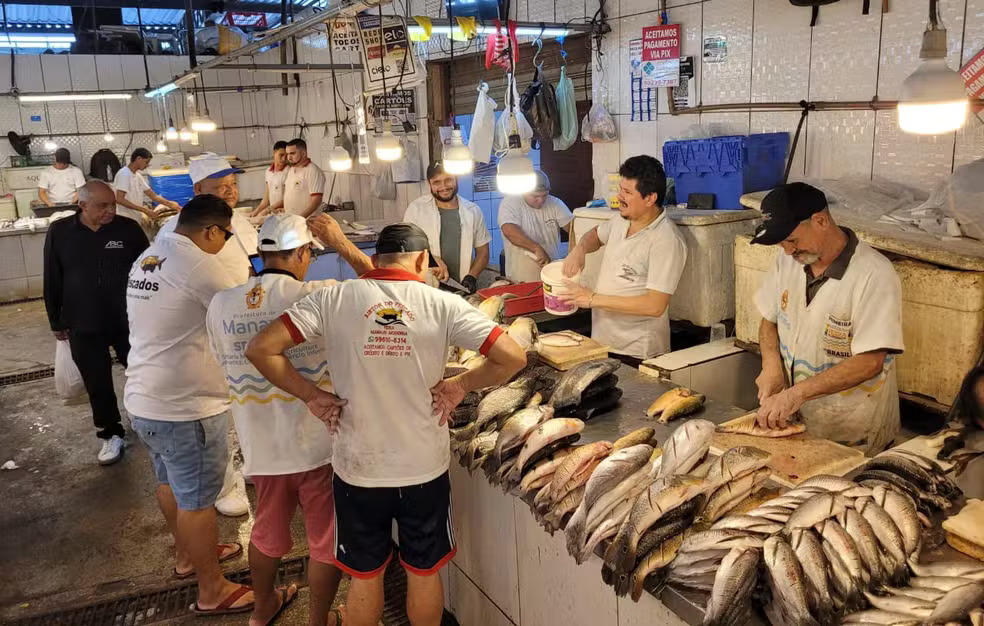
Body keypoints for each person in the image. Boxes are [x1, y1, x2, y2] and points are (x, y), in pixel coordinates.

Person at [246, 223, 526, 626]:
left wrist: (312, 396)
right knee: (423, 571)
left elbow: (262, 348)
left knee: (365, 575)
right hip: (422, 468)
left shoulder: (332, 298)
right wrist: (460, 384)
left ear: (375, 260)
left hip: (358, 468)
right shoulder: (441, 303)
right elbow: (512, 357)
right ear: (422, 260)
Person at [207, 213, 370, 626]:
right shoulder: (320, 294)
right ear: (301, 253)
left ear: (262, 254)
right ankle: (318, 621)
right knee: (324, 540)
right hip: (320, 443)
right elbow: (386, 287)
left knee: (265, 532)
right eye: (309, 255)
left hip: (260, 445)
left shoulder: (221, 303)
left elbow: (223, 360)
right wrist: (340, 242)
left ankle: (262, 611)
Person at [125, 194, 255, 616]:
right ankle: (212, 589)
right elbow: (243, 320)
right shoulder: (200, 265)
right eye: (226, 237)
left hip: (144, 398)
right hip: (187, 407)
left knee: (170, 484)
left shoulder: (151, 256)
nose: (225, 245)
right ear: (212, 231)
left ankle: (188, 556)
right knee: (198, 500)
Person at [751, 182, 904, 454]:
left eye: (792, 240)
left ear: (820, 220)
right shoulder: (787, 260)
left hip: (854, 430)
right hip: (799, 421)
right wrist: (771, 363)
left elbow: (870, 362)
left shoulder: (875, 274)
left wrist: (795, 394)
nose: (787, 250)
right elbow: (769, 319)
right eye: (782, 243)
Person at [158, 153, 256, 517]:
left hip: (241, 324)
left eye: (232, 186)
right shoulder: (175, 231)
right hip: (201, 334)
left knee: (246, 403)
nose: (230, 193)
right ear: (198, 190)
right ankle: (224, 486)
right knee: (215, 417)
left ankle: (251, 465)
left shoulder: (240, 221)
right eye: (220, 188)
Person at [43, 181, 148, 465]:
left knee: (141, 372)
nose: (111, 210)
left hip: (128, 319)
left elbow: (149, 271)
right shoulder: (61, 232)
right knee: (97, 380)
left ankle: (145, 419)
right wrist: (56, 318)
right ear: (82, 205)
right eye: (103, 206)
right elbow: (52, 276)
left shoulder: (128, 229)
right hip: (83, 321)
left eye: (113, 204)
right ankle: (110, 433)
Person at [560, 155, 687, 366]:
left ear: (650, 198)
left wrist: (592, 299)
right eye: (620, 189)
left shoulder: (666, 240)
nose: (619, 197)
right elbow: (594, 236)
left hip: (638, 353)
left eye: (627, 192)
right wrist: (579, 250)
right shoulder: (621, 219)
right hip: (603, 343)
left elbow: (655, 305)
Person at [403, 161, 491, 292]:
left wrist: (472, 276)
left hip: (462, 290)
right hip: (425, 289)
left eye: (448, 180)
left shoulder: (473, 211)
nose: (443, 187)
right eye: (437, 182)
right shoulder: (416, 209)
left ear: (456, 179)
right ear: (429, 184)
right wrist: (432, 260)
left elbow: (483, 252)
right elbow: (404, 249)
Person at [497, 170, 573, 282]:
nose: (541, 200)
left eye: (545, 195)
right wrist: (536, 248)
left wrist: (575, 252)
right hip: (520, 278)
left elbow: (573, 230)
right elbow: (509, 231)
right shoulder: (510, 203)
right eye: (535, 196)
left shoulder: (555, 203)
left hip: (550, 276)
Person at [113, 148, 181, 228]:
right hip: (125, 219)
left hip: (135, 218)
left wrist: (170, 204)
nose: (147, 165)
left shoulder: (138, 176)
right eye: (146, 162)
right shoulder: (124, 174)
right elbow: (120, 199)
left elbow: (153, 196)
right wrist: (145, 210)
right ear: (138, 159)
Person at [283, 138, 326, 218]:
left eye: (292, 153)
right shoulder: (291, 171)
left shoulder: (313, 171)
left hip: (308, 222)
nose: (289, 158)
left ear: (303, 153)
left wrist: (300, 218)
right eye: (287, 154)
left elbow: (316, 200)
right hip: (291, 221)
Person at [251, 141, 289, 219]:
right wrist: (256, 212)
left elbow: (286, 198)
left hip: (285, 213)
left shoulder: (289, 172)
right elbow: (266, 199)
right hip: (273, 213)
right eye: (281, 155)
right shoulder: (268, 171)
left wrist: (267, 210)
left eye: (286, 156)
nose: (283, 159)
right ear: (274, 152)